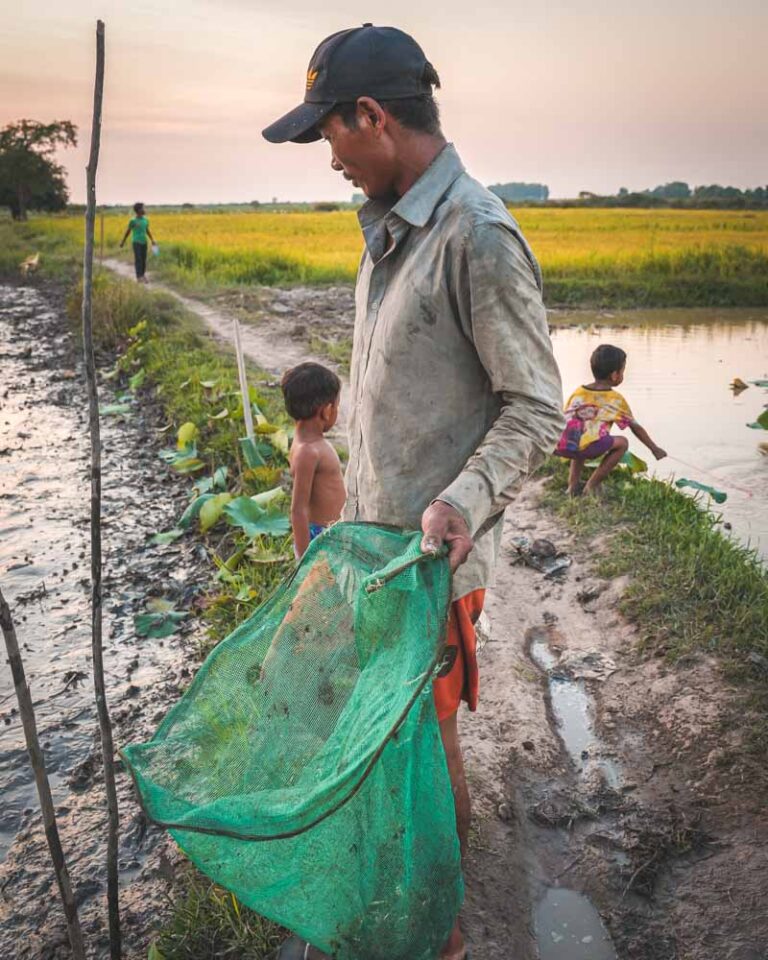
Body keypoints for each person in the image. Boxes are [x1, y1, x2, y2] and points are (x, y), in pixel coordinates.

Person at [263, 24, 564, 960]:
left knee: (430, 755)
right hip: (376, 555)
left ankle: (441, 930)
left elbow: (535, 408)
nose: (330, 159)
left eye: (331, 136)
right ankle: (413, 902)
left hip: (433, 561)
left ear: (373, 116)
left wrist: (459, 503)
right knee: (394, 747)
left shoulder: (476, 235)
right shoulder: (388, 232)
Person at [556, 343, 667, 496]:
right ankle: (591, 486)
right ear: (615, 375)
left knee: (581, 440)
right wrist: (654, 448)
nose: (622, 375)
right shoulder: (615, 399)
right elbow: (635, 427)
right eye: (623, 371)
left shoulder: (579, 391)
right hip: (586, 447)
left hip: (561, 443)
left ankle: (572, 486)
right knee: (622, 443)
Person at [281, 362, 346, 559]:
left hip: (332, 533)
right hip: (322, 540)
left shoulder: (308, 444)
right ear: (326, 411)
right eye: (336, 406)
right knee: (323, 589)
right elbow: (298, 510)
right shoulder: (308, 452)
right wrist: (304, 559)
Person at [119, 202, 156, 283]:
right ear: (138, 210)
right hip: (136, 242)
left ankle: (143, 275)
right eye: (143, 208)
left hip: (144, 242)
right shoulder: (133, 221)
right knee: (138, 259)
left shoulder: (145, 220)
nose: (144, 210)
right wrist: (123, 241)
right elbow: (128, 232)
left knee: (143, 259)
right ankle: (139, 277)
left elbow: (147, 230)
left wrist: (152, 239)